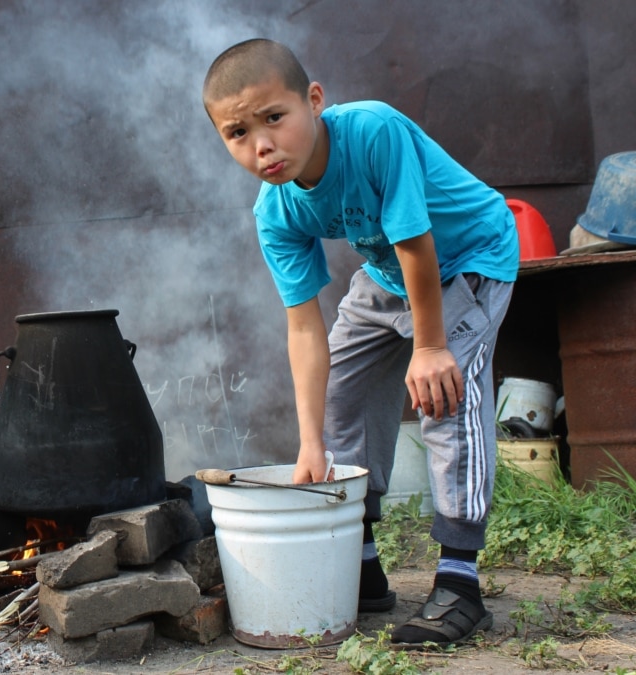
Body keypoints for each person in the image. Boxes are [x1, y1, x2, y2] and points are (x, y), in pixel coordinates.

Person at [202, 39, 518, 646]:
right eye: (237, 133)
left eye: (274, 118)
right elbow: (304, 327)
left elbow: (416, 245)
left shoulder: (372, 131)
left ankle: (459, 581)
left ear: (314, 101)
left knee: (445, 397)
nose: (261, 144)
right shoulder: (275, 211)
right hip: (387, 276)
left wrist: (430, 348)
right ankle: (361, 567)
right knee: (342, 398)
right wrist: (311, 442)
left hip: (469, 256)